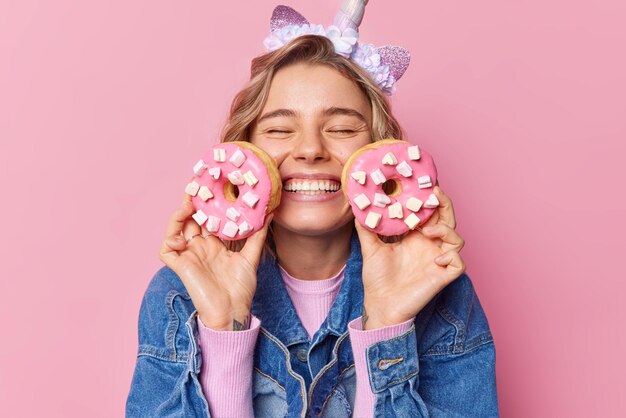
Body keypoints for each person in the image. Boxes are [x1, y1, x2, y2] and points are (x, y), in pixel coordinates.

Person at [126, 3, 498, 417]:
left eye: (340, 129)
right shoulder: (180, 293)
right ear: (243, 152)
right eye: (280, 130)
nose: (310, 150)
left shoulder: (438, 294)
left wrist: (386, 325)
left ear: (380, 152)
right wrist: (223, 327)